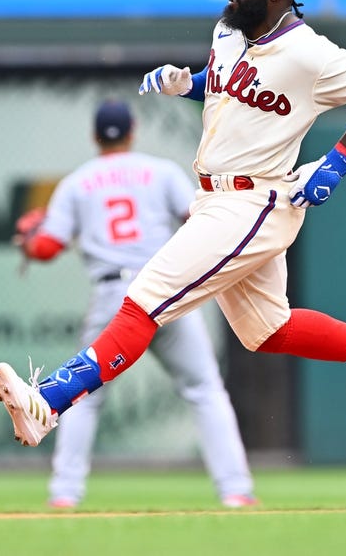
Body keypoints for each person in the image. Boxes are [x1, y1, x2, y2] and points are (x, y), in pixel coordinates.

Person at [0, 0, 346, 463]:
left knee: (145, 297)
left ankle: (49, 402)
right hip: (215, 195)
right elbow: (232, 90)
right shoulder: (228, 31)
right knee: (268, 331)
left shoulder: (310, 53)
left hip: (254, 202)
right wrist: (191, 85)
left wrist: (339, 160)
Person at [13, 98, 256, 509]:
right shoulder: (160, 171)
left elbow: (48, 246)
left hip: (113, 294)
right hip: (164, 289)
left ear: (95, 136)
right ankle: (235, 491)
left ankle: (64, 495)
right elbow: (200, 219)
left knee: (83, 394)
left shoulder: (77, 182)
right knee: (205, 389)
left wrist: (30, 240)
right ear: (133, 130)